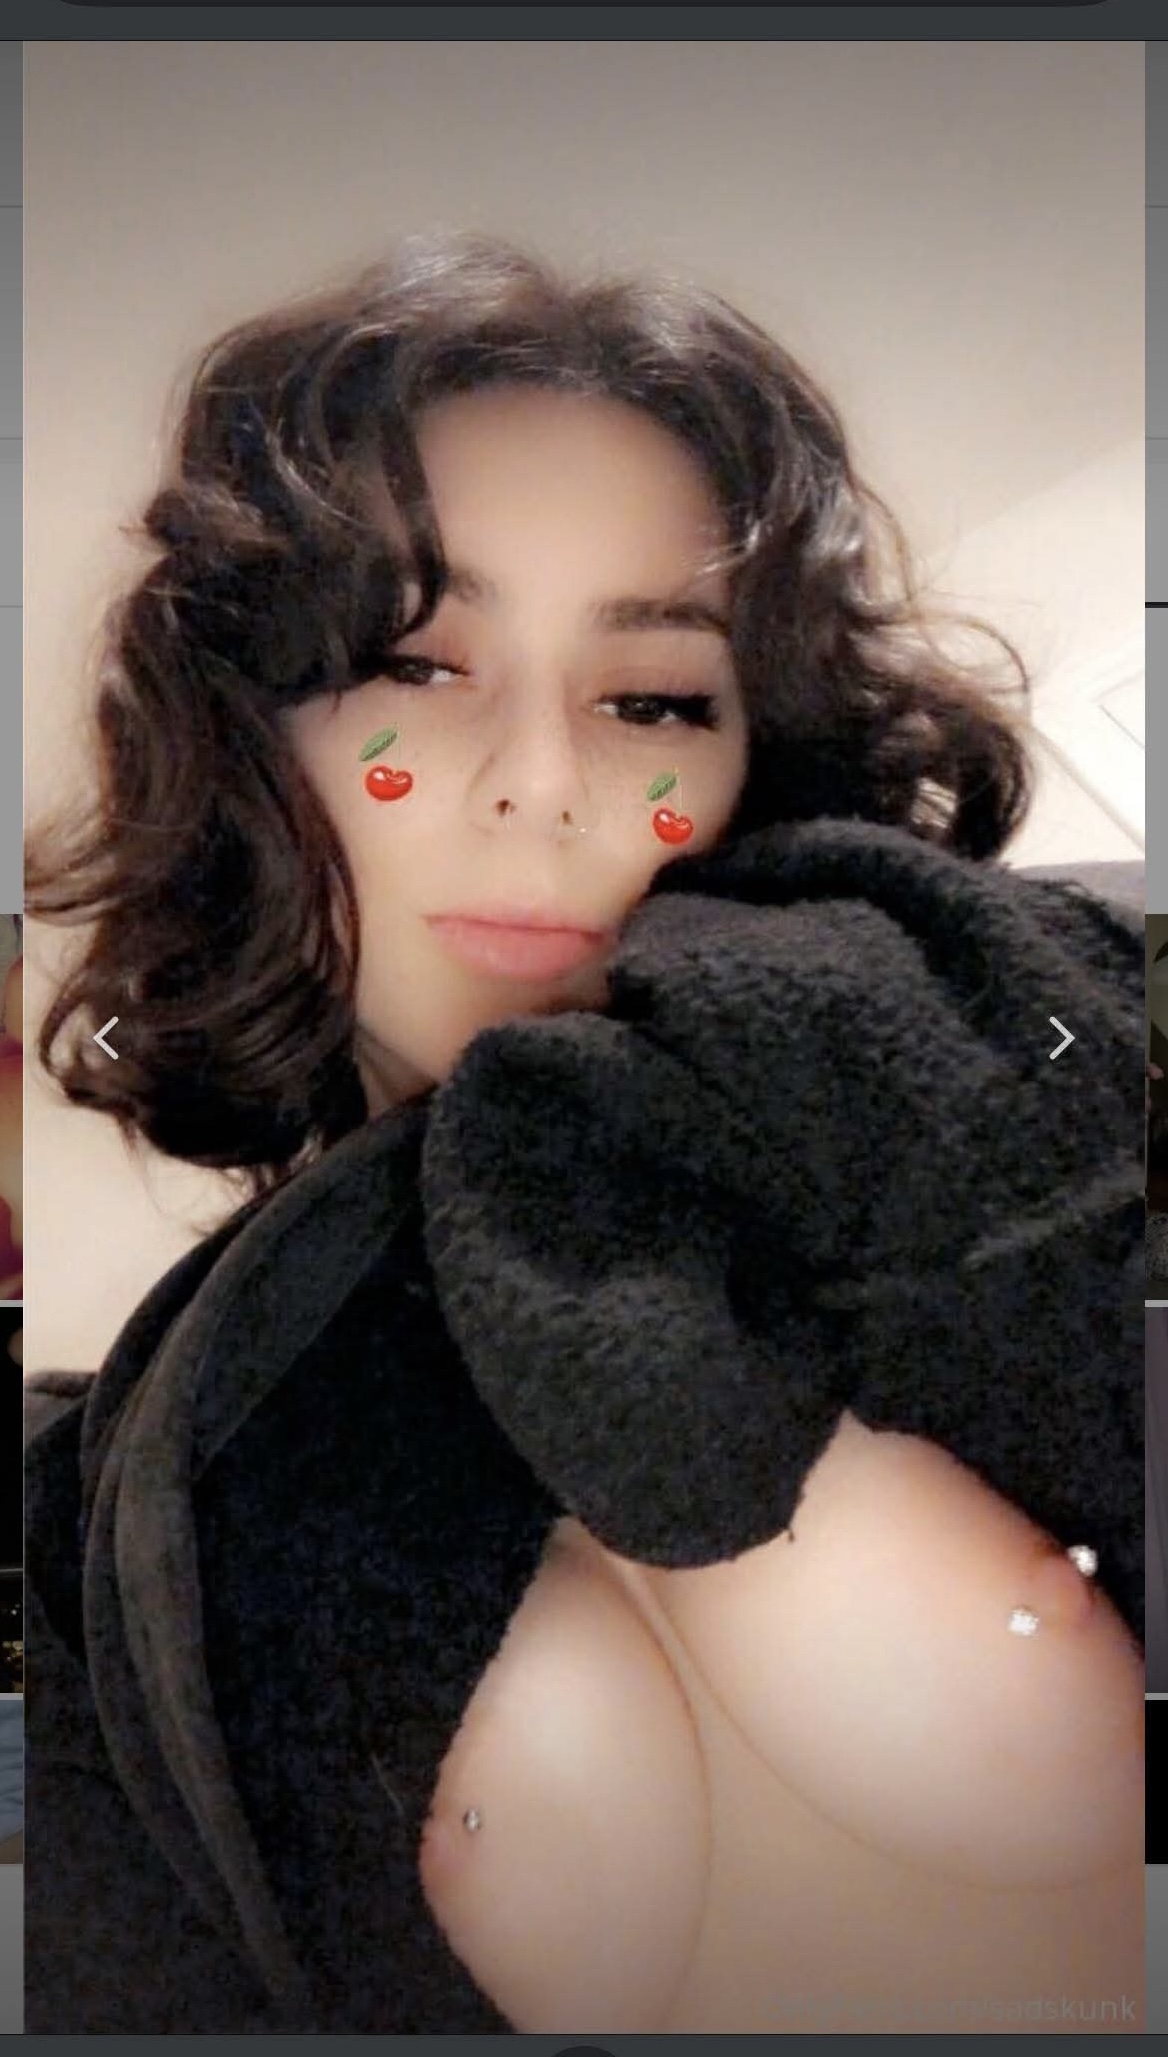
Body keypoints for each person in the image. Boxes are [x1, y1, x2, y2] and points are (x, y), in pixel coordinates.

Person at [23, 236, 1144, 2034]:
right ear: (250, 739)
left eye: (652, 697)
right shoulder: (150, 1491)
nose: (541, 780)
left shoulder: (986, 1070)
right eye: (415, 662)